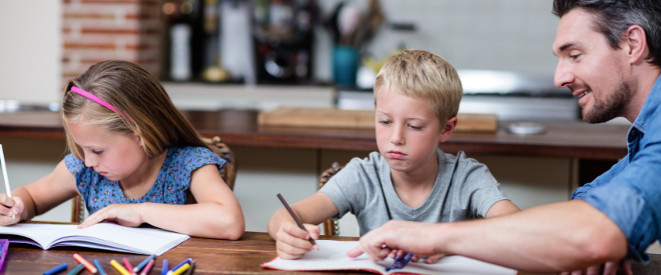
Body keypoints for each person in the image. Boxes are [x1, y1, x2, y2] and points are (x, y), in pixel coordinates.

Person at [347, 0, 661, 273]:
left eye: (575, 55)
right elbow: (588, 207)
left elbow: (595, 231)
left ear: (632, 44)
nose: (559, 78)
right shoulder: (648, 134)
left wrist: (432, 236)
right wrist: (586, 232)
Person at [267, 49, 520, 260]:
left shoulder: (467, 177)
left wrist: (445, 243)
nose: (396, 138)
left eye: (414, 126)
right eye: (385, 122)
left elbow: (518, 228)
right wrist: (286, 232)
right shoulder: (364, 175)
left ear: (446, 128)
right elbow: (285, 216)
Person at [0, 60, 245, 240]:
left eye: (97, 150)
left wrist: (140, 212)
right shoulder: (84, 170)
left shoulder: (188, 164)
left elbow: (230, 222)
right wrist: (17, 206)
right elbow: (32, 197)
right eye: (83, 150)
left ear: (141, 134)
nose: (87, 162)